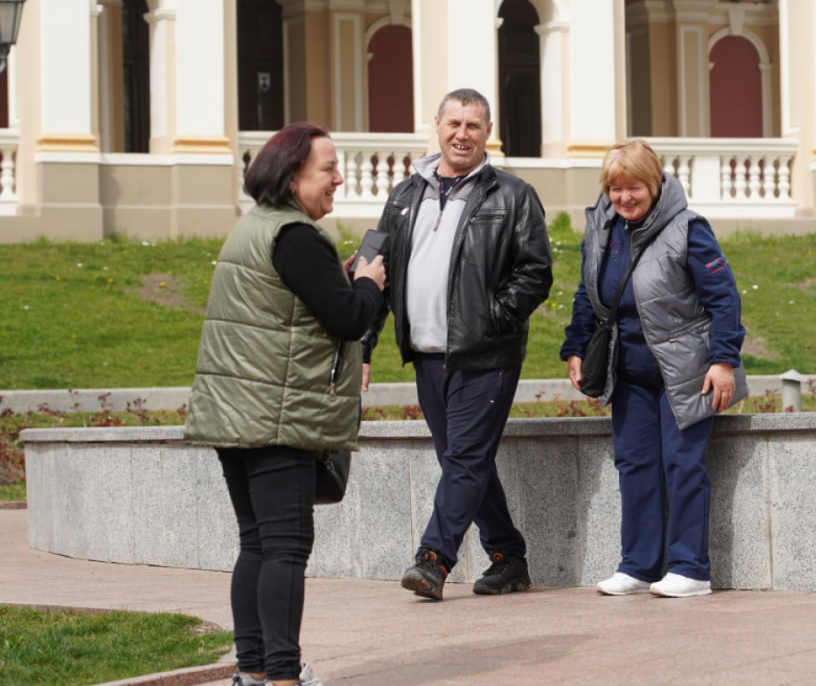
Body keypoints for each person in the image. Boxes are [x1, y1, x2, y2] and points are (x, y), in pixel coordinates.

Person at [184, 123, 386, 686]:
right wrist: (368, 282)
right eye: (328, 167)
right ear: (293, 174)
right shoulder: (296, 237)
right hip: (277, 420)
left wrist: (342, 280)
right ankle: (282, 677)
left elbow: (292, 307)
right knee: (286, 550)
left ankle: (251, 672)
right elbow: (348, 318)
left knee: (257, 544)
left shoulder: (253, 228)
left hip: (236, 414)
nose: (339, 177)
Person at [362, 88, 553, 601]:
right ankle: (508, 558)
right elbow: (377, 273)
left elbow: (535, 273)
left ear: (487, 131)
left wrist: (493, 318)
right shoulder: (404, 196)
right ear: (438, 126)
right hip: (426, 353)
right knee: (464, 462)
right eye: (454, 124)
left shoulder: (512, 195)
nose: (462, 134)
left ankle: (433, 559)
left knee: (465, 459)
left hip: (486, 353)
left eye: (473, 125)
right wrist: (362, 344)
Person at [560, 139, 747, 598]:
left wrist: (723, 360)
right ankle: (638, 566)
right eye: (616, 188)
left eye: (634, 188)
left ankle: (690, 569)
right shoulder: (602, 229)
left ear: (656, 183)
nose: (625, 198)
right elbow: (589, 295)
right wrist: (576, 347)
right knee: (635, 465)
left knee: (682, 463)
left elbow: (724, 298)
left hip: (686, 368)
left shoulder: (688, 228)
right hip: (629, 370)